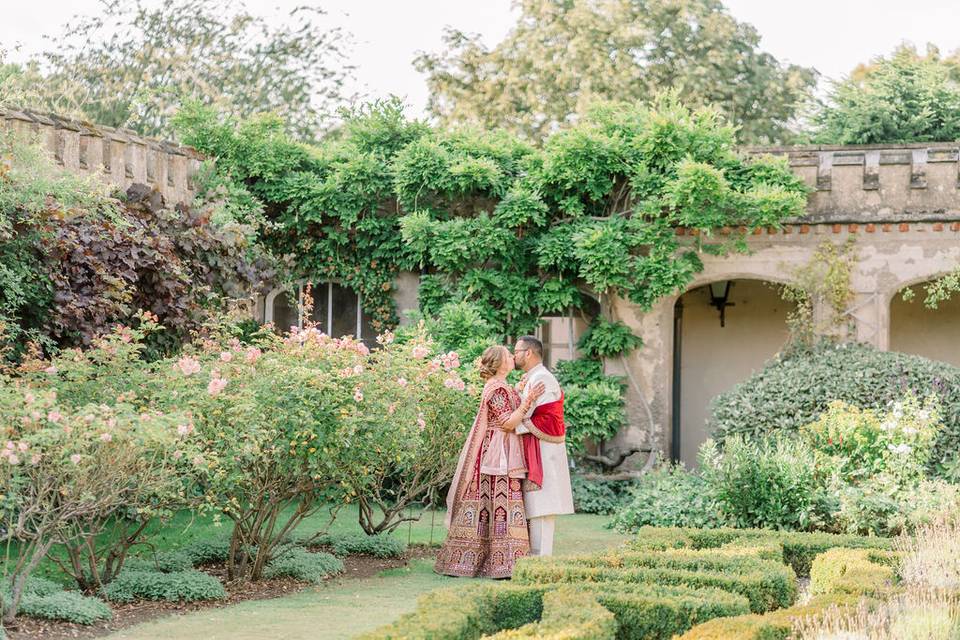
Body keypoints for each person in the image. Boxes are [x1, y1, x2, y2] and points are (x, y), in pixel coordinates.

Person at [435, 345, 546, 578]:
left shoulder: (502, 387)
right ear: (499, 363)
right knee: (498, 502)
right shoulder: (496, 389)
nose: (512, 357)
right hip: (497, 456)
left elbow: (507, 406)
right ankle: (495, 563)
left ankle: (503, 562)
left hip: (503, 452)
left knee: (501, 503)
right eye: (508, 355)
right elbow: (507, 422)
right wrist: (530, 399)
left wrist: (520, 388)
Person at [510, 336, 574, 557]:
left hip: (544, 452)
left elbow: (525, 414)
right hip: (536, 448)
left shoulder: (542, 379)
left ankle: (540, 558)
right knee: (537, 506)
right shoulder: (533, 377)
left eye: (517, 351)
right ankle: (534, 556)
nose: (513, 355)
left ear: (528, 353)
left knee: (542, 507)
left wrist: (507, 422)